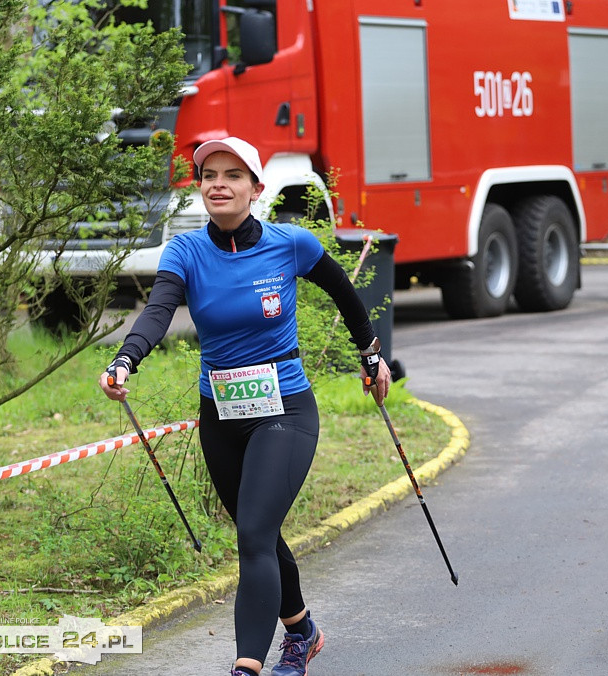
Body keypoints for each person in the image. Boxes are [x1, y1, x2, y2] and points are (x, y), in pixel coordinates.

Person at [99, 136, 392, 676]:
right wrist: (125, 360)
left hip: (285, 410)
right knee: (257, 532)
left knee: (254, 535)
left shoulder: (290, 244)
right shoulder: (185, 251)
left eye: (232, 175)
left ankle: (247, 665)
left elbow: (345, 294)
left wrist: (372, 355)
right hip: (222, 418)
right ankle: (302, 629)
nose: (218, 183)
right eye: (209, 174)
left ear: (256, 189)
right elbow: (158, 311)